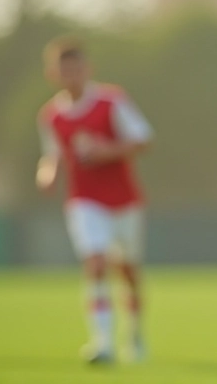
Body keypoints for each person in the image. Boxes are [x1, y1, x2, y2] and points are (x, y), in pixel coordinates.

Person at [37, 36, 153, 364]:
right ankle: (102, 342)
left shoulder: (111, 101)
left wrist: (106, 151)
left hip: (124, 199)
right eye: (65, 70)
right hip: (84, 200)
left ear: (87, 69)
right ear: (53, 74)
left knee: (128, 271)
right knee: (96, 263)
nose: (71, 76)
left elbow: (143, 140)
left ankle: (134, 333)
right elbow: (52, 156)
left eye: (76, 69)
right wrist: (46, 176)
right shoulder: (51, 116)